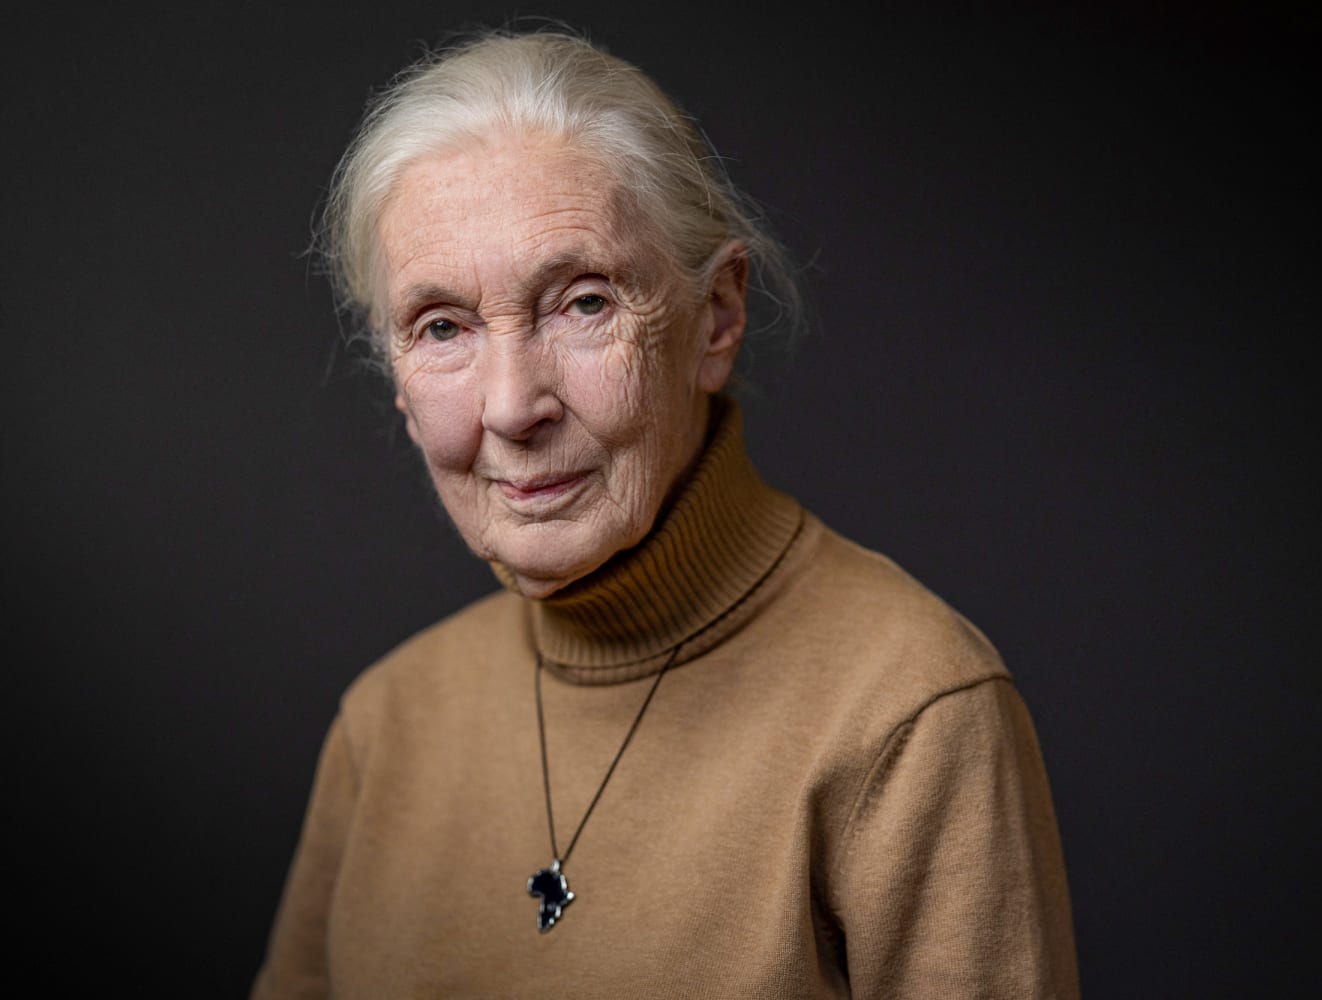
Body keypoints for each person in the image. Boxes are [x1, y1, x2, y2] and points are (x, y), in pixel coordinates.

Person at [253, 29, 1078, 998]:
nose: (512, 406)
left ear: (716, 317)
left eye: (583, 304)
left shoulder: (912, 713)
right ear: (396, 378)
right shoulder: (383, 727)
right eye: (442, 327)